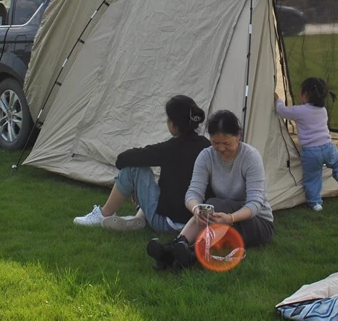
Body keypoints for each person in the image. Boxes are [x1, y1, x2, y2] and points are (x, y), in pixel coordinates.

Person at [146, 109, 274, 270]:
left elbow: (255, 204)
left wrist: (231, 218)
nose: (221, 148)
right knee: (209, 208)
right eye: (215, 143)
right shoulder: (206, 156)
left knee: (219, 212)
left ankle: (181, 252)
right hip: (225, 214)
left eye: (226, 143)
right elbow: (193, 192)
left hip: (257, 222)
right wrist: (196, 210)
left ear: (239, 135)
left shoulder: (251, 157)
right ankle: (179, 246)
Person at [73, 95, 209, 233]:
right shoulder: (207, 146)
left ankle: (104, 214)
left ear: (173, 124)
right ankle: (138, 218)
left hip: (168, 223)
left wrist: (134, 186)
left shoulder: (170, 148)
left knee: (133, 169)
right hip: (195, 222)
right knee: (172, 185)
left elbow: (123, 159)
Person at [275, 77, 338, 212]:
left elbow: (283, 111)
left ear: (305, 95)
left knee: (312, 178)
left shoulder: (300, 111)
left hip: (310, 152)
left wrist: (278, 100)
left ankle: (315, 203)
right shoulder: (323, 111)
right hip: (327, 146)